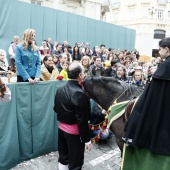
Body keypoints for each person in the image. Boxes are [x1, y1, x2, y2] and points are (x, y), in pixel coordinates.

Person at [123, 37, 170, 156]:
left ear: (167, 50)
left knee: (139, 107)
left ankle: (133, 137)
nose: (159, 52)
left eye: (160, 50)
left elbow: (154, 91)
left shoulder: (166, 65)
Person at [54, 62, 92, 170]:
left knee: (63, 158)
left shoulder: (59, 89)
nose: (84, 75)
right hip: (74, 134)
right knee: (76, 163)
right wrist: (87, 139)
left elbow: (56, 109)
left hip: (61, 130)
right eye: (83, 73)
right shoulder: (80, 93)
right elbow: (82, 119)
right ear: (80, 75)